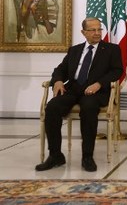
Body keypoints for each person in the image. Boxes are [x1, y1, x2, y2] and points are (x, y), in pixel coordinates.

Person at [35, 17, 122, 172]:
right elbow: (60, 69)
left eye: (99, 29)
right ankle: (55, 155)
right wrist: (58, 81)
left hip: (95, 91)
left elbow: (117, 71)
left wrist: (99, 83)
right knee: (52, 107)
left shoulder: (111, 49)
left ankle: (87, 156)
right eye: (92, 30)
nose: (97, 33)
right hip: (73, 89)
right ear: (83, 32)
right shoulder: (74, 50)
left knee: (88, 108)